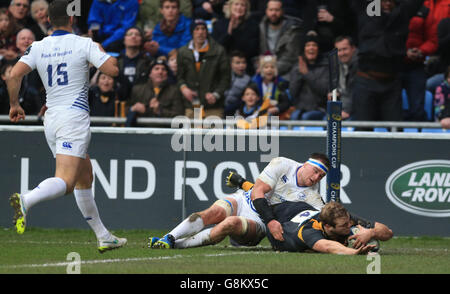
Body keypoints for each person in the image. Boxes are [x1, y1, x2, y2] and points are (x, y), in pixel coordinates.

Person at [7, 0, 126, 253]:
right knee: (67, 181)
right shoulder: (83, 44)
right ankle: (26, 199)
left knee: (85, 175)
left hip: (51, 118)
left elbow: (14, 75)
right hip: (73, 118)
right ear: (71, 19)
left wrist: (14, 105)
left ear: (49, 20)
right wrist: (101, 49)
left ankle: (103, 236)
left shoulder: (38, 46)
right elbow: (112, 70)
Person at [350, 0, 425, 125]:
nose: (387, 4)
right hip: (365, 80)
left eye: (391, 1)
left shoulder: (402, 13)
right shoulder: (367, 8)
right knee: (363, 130)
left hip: (392, 83)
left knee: (395, 131)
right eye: (383, 1)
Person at [266, 200, 393, 255]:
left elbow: (388, 233)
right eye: (344, 225)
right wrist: (354, 252)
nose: (350, 225)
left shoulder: (344, 218)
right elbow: (328, 247)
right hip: (281, 225)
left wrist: (371, 232)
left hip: (302, 208)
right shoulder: (309, 231)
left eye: (349, 221)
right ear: (327, 226)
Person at [402, 0, 449, 122]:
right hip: (393, 64)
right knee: (393, 111)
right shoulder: (387, 7)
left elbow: (434, 38)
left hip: (419, 63)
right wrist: (403, 52)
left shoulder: (425, 7)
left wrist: (421, 51)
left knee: (418, 109)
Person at [177, 18, 230, 118]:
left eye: (203, 29)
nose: (200, 32)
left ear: (207, 31)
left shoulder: (218, 51)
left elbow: (226, 78)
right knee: (191, 133)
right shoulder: (183, 52)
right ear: (192, 32)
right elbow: (179, 76)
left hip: (213, 107)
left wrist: (216, 94)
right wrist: (184, 88)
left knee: (212, 134)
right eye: (197, 29)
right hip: (191, 106)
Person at [125, 57, 185, 126]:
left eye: (163, 69)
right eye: (156, 69)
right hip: (142, 131)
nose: (160, 72)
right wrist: (133, 109)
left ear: (167, 74)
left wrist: (160, 111)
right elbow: (124, 110)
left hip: (165, 132)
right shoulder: (137, 89)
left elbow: (180, 117)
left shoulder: (175, 91)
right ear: (150, 74)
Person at [212, 0, 260, 75]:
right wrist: (229, 32)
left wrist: (236, 30)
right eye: (236, 4)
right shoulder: (219, 24)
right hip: (224, 65)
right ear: (230, 7)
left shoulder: (253, 25)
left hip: (245, 66)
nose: (239, 7)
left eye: (242, 5)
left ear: (246, 8)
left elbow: (252, 49)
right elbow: (216, 49)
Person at [258, 0, 302, 81]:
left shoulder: (293, 29)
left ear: (282, 11)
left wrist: (271, 70)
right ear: (266, 11)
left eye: (277, 10)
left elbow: (290, 57)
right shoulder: (261, 27)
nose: (273, 13)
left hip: (286, 73)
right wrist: (263, 68)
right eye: (271, 10)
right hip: (264, 69)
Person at [289, 33, 329, 120]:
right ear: (304, 49)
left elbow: (324, 90)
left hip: (320, 108)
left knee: (306, 117)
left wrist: (307, 74)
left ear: (318, 49)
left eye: (314, 45)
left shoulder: (326, 66)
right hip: (301, 108)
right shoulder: (297, 67)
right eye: (308, 45)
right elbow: (293, 93)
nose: (311, 48)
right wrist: (299, 74)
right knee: (294, 116)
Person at [115, 26, 153, 102]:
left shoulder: (149, 62)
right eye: (130, 34)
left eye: (137, 34)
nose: (133, 36)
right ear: (124, 40)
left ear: (141, 40)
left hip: (142, 100)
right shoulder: (116, 62)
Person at [252, 54, 291, 119]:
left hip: (275, 115)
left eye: (272, 67)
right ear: (261, 70)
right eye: (266, 67)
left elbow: (286, 103)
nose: (269, 69)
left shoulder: (281, 83)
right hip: (256, 114)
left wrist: (276, 108)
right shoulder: (254, 83)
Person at [330, 35, 358, 121]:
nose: (342, 53)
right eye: (339, 50)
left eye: (345, 49)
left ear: (353, 48)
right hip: (341, 109)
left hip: (356, 111)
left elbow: (356, 93)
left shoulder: (360, 65)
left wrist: (347, 111)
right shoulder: (337, 65)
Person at [224, 50, 251, 116]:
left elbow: (243, 101)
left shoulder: (248, 80)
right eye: (237, 63)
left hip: (234, 111)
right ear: (231, 64)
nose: (241, 65)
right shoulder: (224, 75)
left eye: (243, 62)